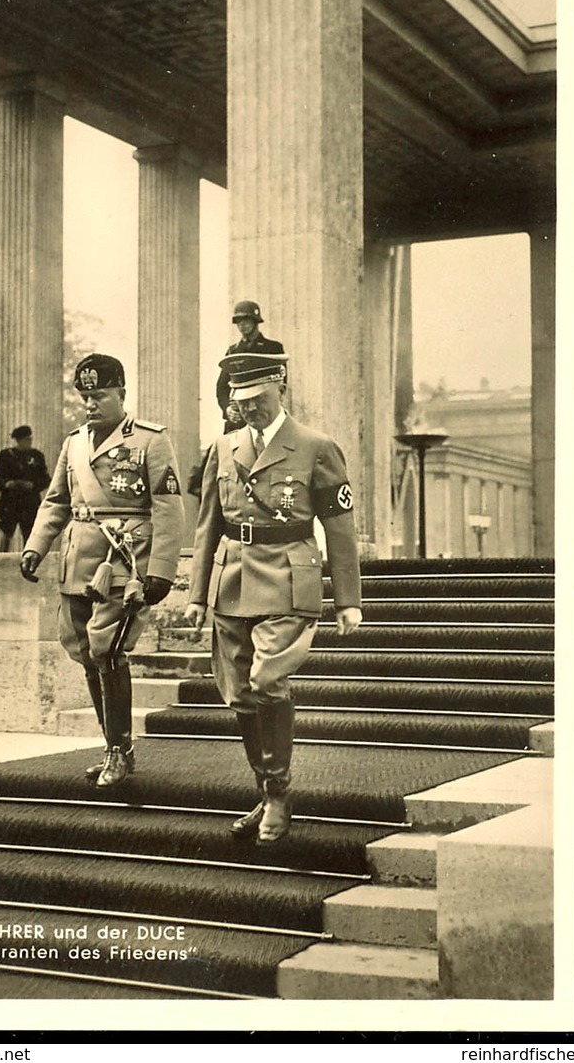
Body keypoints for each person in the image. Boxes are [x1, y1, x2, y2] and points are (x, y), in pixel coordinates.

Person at [185, 352, 362, 847]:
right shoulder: (223, 447)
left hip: (288, 575)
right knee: (239, 692)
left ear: (280, 388)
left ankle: (279, 793)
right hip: (233, 577)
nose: (250, 410)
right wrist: (197, 594)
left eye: (259, 399)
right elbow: (206, 525)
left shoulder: (316, 447)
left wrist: (348, 598)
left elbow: (339, 528)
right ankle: (266, 791)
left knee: (267, 680)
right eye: (241, 402)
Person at [20, 354, 185, 787]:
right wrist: (36, 546)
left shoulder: (151, 440)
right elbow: (56, 500)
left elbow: (168, 508)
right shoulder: (74, 442)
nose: (91, 405)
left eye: (100, 396)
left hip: (122, 562)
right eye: (86, 397)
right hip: (78, 561)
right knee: (83, 652)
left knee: (108, 651)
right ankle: (116, 746)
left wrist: (161, 571)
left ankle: (118, 749)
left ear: (122, 395)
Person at [215, 301, 285, 434]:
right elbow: (221, 387)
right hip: (239, 417)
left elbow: (279, 384)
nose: (242, 325)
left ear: (255, 321)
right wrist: (228, 409)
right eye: (238, 321)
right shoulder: (233, 352)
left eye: (246, 320)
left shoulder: (272, 348)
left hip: (263, 415)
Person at [0, 425, 51, 551]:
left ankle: (29, 557)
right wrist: (7, 484)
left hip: (30, 502)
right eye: (26, 440)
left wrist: (33, 485)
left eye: (30, 439)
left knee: (30, 532)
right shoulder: (6, 455)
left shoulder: (37, 456)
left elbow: (46, 479)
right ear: (19, 441)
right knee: (6, 531)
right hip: (10, 501)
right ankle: (1, 557)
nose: (29, 442)